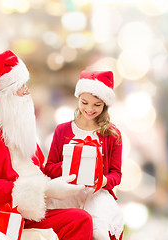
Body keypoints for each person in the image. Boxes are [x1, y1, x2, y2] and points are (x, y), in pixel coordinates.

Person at [0, 50, 93, 239]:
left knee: (81, 218)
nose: (28, 91)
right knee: (79, 220)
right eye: (21, 86)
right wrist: (46, 189)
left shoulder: (16, 124)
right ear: (5, 95)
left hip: (28, 211)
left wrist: (73, 169)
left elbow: (39, 169)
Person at [44, 70, 124, 240]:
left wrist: (103, 180)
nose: (89, 109)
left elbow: (116, 174)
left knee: (98, 229)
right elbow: (49, 169)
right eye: (84, 102)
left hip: (96, 193)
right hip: (67, 193)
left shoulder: (112, 134)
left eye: (97, 105)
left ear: (105, 105)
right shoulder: (63, 130)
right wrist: (70, 165)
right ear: (78, 99)